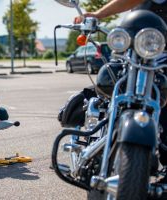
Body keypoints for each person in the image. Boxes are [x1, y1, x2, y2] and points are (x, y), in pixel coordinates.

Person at [73, 0, 167, 181]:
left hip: (161, 59)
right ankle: (95, 134)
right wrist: (96, 16)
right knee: (109, 82)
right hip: (134, 52)